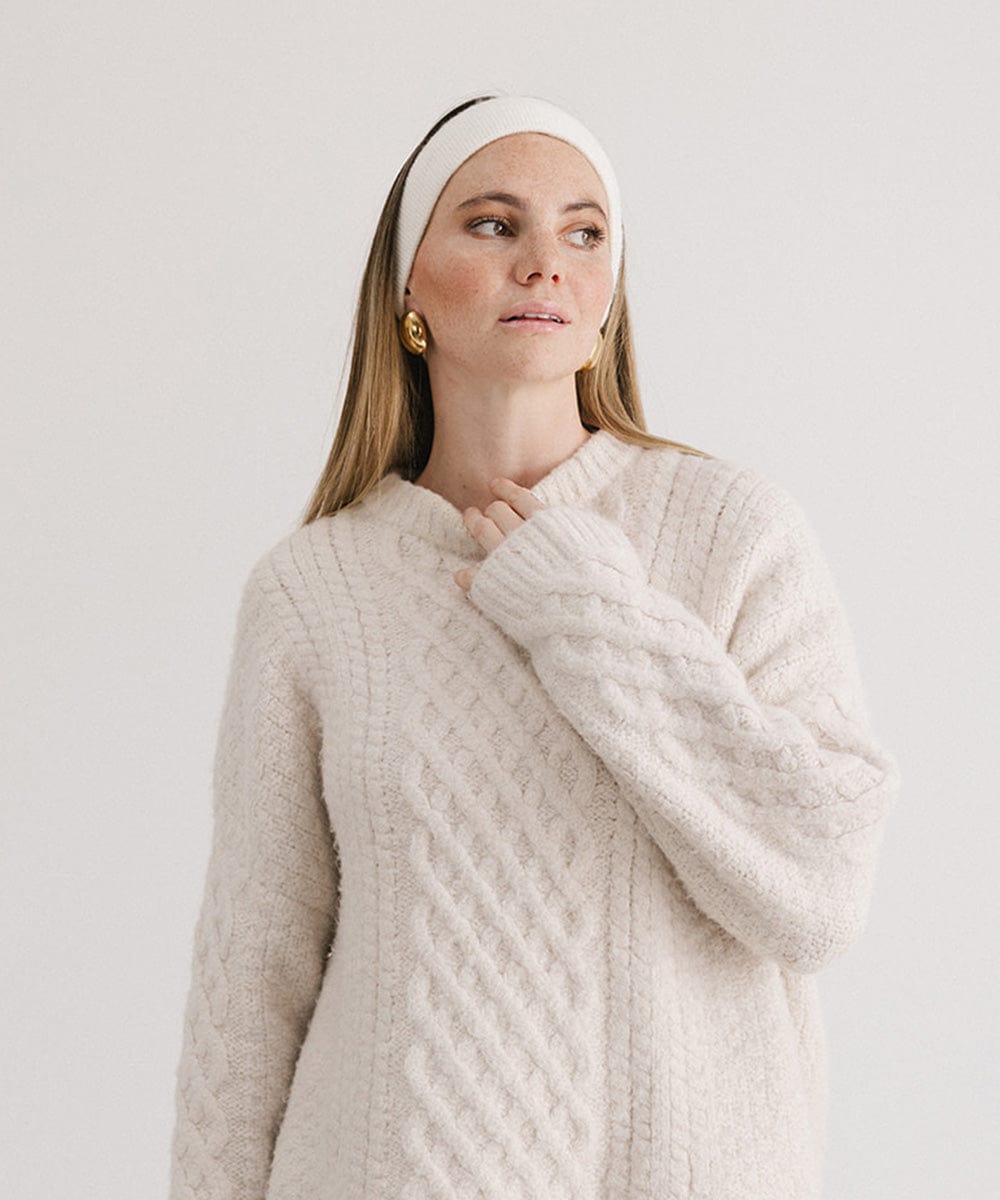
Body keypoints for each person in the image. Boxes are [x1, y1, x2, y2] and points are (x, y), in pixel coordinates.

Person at [168, 94, 901, 1200]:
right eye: (493, 224)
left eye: (584, 232)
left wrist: (589, 615)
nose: (545, 263)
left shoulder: (732, 532)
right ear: (409, 286)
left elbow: (820, 888)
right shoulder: (314, 590)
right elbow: (251, 983)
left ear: (608, 297)